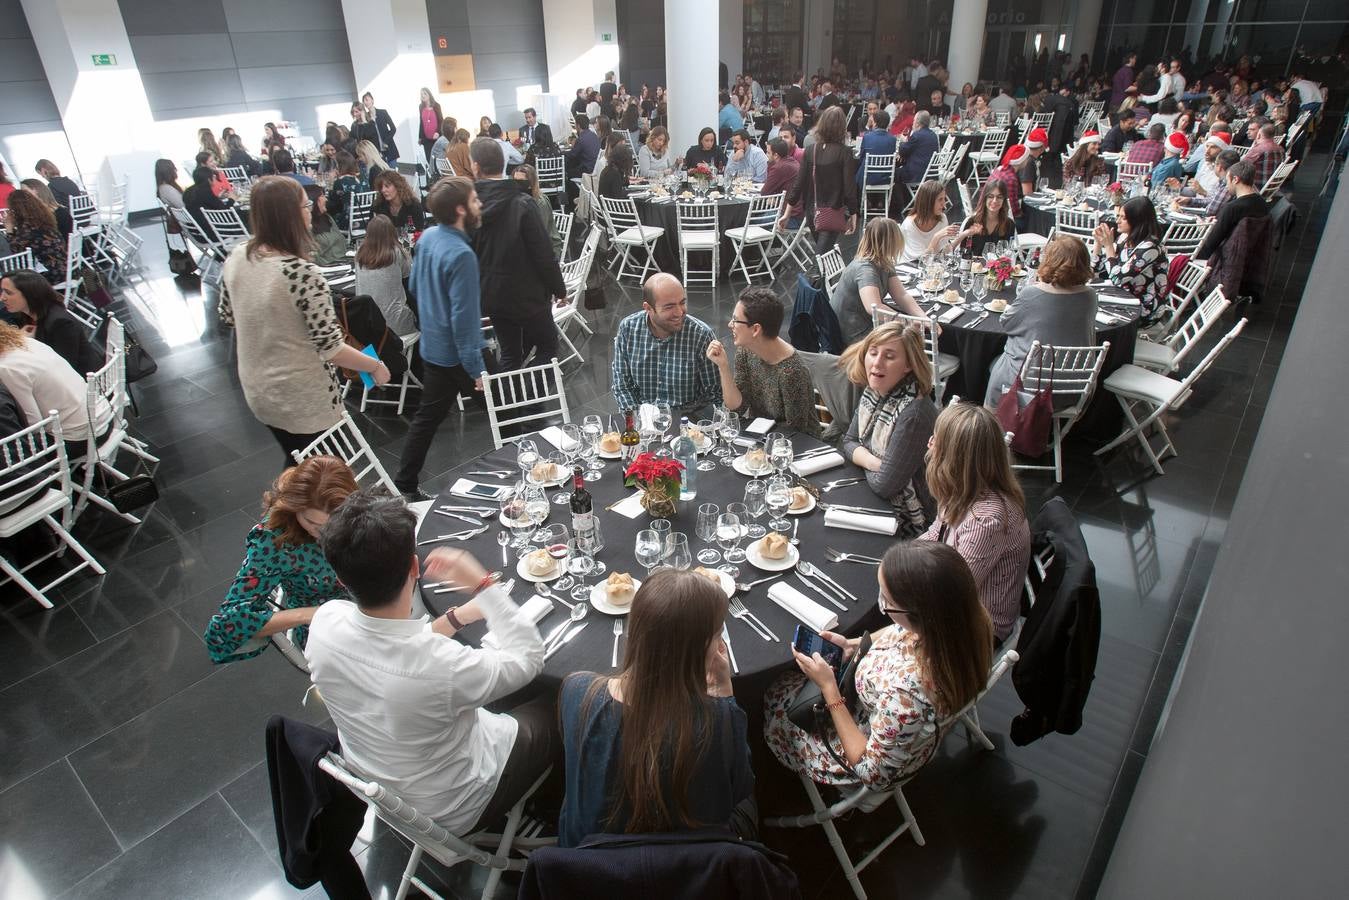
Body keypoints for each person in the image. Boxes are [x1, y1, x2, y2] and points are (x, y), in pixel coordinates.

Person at [307, 492, 552, 836]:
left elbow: (394, 646)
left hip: (383, 778)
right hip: (460, 802)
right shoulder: (440, 666)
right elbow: (528, 658)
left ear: (341, 579)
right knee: (563, 699)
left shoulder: (324, 622)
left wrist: (455, 618)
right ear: (415, 567)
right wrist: (484, 585)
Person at [764, 540, 993, 791]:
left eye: (886, 599)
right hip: (878, 715)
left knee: (775, 695)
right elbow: (897, 631)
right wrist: (851, 646)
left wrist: (830, 689)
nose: (881, 604)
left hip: (856, 742)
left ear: (917, 613)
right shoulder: (958, 623)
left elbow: (871, 774)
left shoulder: (907, 695)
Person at [559, 569, 754, 847]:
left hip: (588, 862)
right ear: (698, 649)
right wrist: (724, 696)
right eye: (717, 636)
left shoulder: (576, 690)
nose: (721, 645)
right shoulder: (717, 720)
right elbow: (738, 791)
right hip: (690, 867)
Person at [219, 177, 388, 464]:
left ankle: (283, 508)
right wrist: (375, 365)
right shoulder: (301, 273)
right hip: (302, 398)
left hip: (258, 388)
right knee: (324, 477)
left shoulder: (238, 257)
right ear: (290, 215)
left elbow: (228, 316)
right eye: (305, 205)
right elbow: (332, 348)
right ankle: (282, 510)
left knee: (298, 464)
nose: (310, 210)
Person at [203, 456, 357, 663]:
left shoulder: (354, 509)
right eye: (311, 522)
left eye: (335, 522)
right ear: (294, 509)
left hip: (366, 599)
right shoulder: (273, 540)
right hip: (326, 623)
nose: (324, 532)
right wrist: (313, 614)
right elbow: (230, 621)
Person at [394, 178, 487, 500]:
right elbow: (464, 319)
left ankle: (405, 483)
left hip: (432, 347)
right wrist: (477, 370)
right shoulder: (462, 254)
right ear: (461, 209)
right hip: (460, 355)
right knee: (508, 413)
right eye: (475, 200)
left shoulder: (428, 238)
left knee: (427, 419)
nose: (480, 205)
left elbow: (416, 289)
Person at [919, 402, 1031, 644]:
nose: (929, 444)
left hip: (977, 631)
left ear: (954, 459)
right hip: (953, 596)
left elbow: (952, 594)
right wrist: (901, 559)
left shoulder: (985, 521)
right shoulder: (963, 491)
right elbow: (935, 534)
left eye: (936, 440)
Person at [470, 138, 566, 373]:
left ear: (475, 166)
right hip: (528, 294)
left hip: (492, 294)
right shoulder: (522, 202)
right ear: (504, 163)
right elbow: (543, 253)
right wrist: (559, 289)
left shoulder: (470, 205)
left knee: (511, 353)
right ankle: (529, 399)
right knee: (548, 347)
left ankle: (508, 406)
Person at [840, 321, 937, 530]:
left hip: (908, 518)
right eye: (873, 353)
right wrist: (875, 463)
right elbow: (848, 441)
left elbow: (885, 486)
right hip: (872, 491)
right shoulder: (876, 390)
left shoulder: (913, 415)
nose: (877, 363)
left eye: (890, 356)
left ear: (908, 365)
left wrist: (860, 455)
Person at [985, 234, 1097, 406]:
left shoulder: (1033, 293)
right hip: (1075, 388)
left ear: (1050, 259)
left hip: (1030, 390)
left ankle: (993, 421)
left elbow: (1006, 323)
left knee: (997, 362)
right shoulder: (1090, 296)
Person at [705, 286, 822, 437]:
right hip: (760, 435)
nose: (730, 325)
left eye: (735, 320)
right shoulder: (746, 350)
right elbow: (736, 408)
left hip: (795, 446)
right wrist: (723, 366)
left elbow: (796, 433)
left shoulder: (792, 372)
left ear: (755, 330)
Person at [611, 272, 721, 417]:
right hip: (643, 418)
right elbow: (622, 386)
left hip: (687, 419)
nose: (679, 312)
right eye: (669, 307)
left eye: (682, 302)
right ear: (648, 308)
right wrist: (637, 421)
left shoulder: (701, 335)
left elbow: (714, 394)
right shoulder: (628, 329)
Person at [830, 217, 925, 345]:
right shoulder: (865, 269)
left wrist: (923, 318)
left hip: (868, 323)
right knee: (906, 342)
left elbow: (901, 295)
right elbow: (874, 308)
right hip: (855, 333)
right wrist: (908, 322)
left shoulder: (883, 261)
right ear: (889, 242)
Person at [0, 270, 101, 375]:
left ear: (30, 294)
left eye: (8, 293)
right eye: (2, 291)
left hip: (83, 382)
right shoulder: (26, 316)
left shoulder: (61, 323)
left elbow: (64, 368)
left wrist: (25, 343)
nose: (2, 298)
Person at [787, 106, 856, 254]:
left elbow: (798, 184)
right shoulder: (845, 153)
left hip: (812, 211)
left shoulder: (811, 150)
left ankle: (829, 277)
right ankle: (828, 277)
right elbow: (850, 189)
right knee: (823, 256)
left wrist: (787, 212)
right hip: (833, 210)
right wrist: (854, 213)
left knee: (823, 255)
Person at [1092, 196, 1169, 323]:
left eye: (1123, 218)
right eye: (1118, 216)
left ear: (1137, 220)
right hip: (1121, 296)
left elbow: (1117, 278)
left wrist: (1108, 246)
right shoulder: (1125, 237)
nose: (1117, 221)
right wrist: (1098, 244)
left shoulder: (1150, 247)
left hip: (1143, 308)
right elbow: (1097, 269)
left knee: (1090, 316)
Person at [354, 215, 417, 338]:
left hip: (366, 325)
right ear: (392, 232)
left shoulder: (359, 254)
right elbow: (409, 287)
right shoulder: (397, 253)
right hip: (395, 325)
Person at [1194, 160, 1268, 263]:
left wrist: (1202, 228)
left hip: (1221, 258)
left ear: (1235, 179)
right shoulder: (1262, 203)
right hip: (1250, 257)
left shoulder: (1232, 208)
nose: (1227, 185)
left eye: (1227, 181)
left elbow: (1210, 244)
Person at [4, 190, 69, 281]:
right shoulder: (44, 221)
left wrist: (9, 229)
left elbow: (15, 252)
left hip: (53, 274)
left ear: (16, 211)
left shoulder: (28, 229)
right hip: (67, 269)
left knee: (12, 278)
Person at [899, 180, 958, 264]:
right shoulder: (910, 225)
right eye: (940, 199)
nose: (944, 204)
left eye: (944, 199)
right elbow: (921, 261)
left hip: (933, 267)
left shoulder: (942, 218)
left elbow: (944, 252)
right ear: (928, 202)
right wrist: (936, 237)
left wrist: (964, 234)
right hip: (910, 268)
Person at [512, 164, 563, 258]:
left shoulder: (540, 202)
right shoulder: (518, 199)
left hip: (548, 250)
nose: (516, 184)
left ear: (530, 184)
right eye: (514, 181)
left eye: (520, 182)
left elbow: (540, 235)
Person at [961, 178, 1017, 257]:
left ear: (1004, 200)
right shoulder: (972, 221)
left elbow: (1006, 254)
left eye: (999, 197)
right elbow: (962, 251)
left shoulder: (1009, 224)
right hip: (973, 266)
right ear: (985, 199)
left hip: (996, 267)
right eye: (991, 196)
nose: (995, 201)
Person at [985, 144, 1033, 226]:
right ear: (1022, 160)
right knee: (1030, 221)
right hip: (999, 219)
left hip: (989, 211)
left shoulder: (1000, 169)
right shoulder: (1010, 178)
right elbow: (1013, 209)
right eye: (1027, 158)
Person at [303, 184, 348, 266]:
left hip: (345, 261)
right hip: (329, 268)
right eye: (323, 196)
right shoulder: (306, 226)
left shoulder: (327, 217)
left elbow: (342, 242)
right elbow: (312, 258)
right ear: (314, 200)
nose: (326, 199)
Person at [762, 139, 802, 226]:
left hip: (790, 218)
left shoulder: (779, 167)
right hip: (801, 216)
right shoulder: (793, 162)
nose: (766, 155)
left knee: (748, 221)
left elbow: (764, 192)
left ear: (776, 155)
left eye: (768, 152)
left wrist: (770, 163)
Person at [855, 110, 897, 191]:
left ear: (875, 122)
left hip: (868, 178)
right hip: (886, 178)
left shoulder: (867, 137)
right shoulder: (893, 139)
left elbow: (861, 157)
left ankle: (862, 201)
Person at [895, 110, 938, 186]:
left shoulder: (917, 135)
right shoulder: (934, 135)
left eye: (914, 120)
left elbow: (902, 151)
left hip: (916, 175)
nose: (913, 123)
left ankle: (901, 198)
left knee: (893, 173)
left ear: (918, 123)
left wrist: (903, 141)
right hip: (931, 174)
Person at [325, 151, 368, 227]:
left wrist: (331, 183)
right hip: (365, 220)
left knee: (323, 217)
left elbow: (331, 205)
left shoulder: (340, 182)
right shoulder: (363, 177)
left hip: (348, 221)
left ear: (339, 166)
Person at [1241, 121, 1285, 188]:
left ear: (1259, 134)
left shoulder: (1259, 149)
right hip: (1271, 186)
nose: (1248, 132)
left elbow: (1241, 165)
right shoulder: (1281, 149)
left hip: (1255, 186)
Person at [361, 91, 400, 162]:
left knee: (392, 171)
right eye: (364, 101)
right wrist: (364, 121)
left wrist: (386, 141)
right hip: (377, 152)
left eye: (367, 100)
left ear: (372, 100)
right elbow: (366, 135)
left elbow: (393, 128)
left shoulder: (382, 112)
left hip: (389, 147)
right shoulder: (366, 117)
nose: (365, 103)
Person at [565, 113, 600, 179]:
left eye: (575, 124)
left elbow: (572, 155)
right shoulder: (594, 135)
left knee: (567, 170)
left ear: (578, 125)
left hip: (586, 170)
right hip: (595, 167)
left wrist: (563, 153)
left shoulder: (581, 139)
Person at [418, 87, 444, 166]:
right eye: (421, 94)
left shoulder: (436, 106)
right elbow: (421, 122)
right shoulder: (421, 107)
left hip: (436, 138)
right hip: (426, 139)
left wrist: (438, 132)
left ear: (429, 95)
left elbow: (441, 120)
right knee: (430, 160)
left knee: (438, 159)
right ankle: (433, 177)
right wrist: (420, 137)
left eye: (424, 93)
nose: (423, 96)